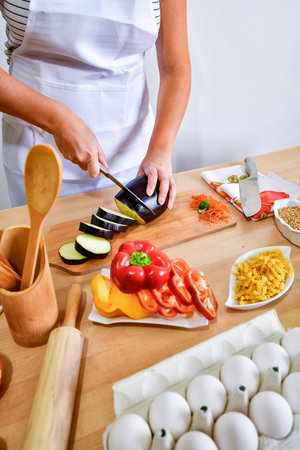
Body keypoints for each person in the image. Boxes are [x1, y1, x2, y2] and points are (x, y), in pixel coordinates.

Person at [0, 0, 191, 208]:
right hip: (37, 158)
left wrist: (159, 150)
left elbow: (176, 68)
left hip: (134, 164)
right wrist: (57, 120)